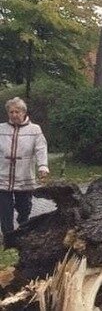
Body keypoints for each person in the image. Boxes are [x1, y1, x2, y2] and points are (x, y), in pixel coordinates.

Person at [0, 97, 49, 237]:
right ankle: (8, 235)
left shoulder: (35, 130)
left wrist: (43, 167)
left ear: (24, 112)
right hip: (3, 176)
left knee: (24, 208)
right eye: (11, 112)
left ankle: (23, 232)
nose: (14, 115)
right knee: (4, 210)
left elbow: (41, 149)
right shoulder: (1, 129)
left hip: (24, 176)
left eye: (17, 111)